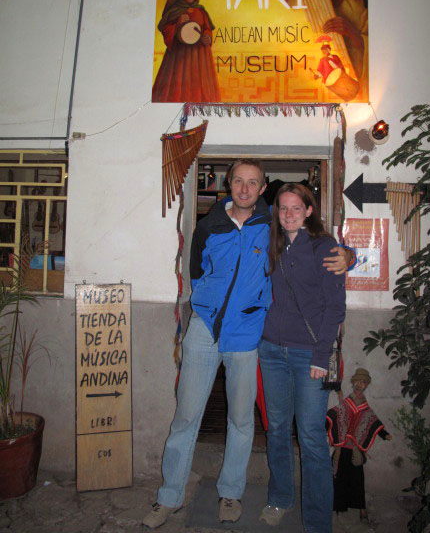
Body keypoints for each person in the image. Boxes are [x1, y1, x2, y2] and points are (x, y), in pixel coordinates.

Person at [143, 161, 349, 529]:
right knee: (186, 418)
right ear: (229, 183)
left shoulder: (269, 224)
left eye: (253, 182)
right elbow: (196, 272)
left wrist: (349, 254)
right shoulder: (210, 225)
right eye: (238, 180)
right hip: (206, 331)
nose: (244, 188)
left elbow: (318, 246)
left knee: (242, 421)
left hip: (249, 336)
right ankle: (168, 497)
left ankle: (231, 493)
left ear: (262, 187)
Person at [259, 183, 346, 533]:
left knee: (310, 436)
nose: (289, 214)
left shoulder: (324, 247)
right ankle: (280, 498)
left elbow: (335, 308)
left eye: (297, 207)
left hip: (308, 354)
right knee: (277, 429)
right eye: (283, 208)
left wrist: (321, 356)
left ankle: (317, 521)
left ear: (309, 210)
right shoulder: (272, 244)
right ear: (275, 213)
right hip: (271, 350)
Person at [326, 368, 392, 521]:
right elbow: (334, 414)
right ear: (353, 382)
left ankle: (361, 509)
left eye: (363, 382)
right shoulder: (346, 402)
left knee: (357, 479)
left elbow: (372, 421)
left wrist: (384, 433)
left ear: (366, 385)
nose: (359, 384)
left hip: (354, 448)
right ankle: (337, 506)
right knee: (338, 477)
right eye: (357, 381)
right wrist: (324, 423)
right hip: (341, 448)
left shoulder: (365, 407)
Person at [152, 0, 221, 103]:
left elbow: (207, 28)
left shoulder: (200, 10)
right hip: (179, 55)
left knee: (200, 81)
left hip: (199, 54)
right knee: (179, 81)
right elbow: (165, 28)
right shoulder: (175, 11)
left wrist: (207, 36)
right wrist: (178, 23)